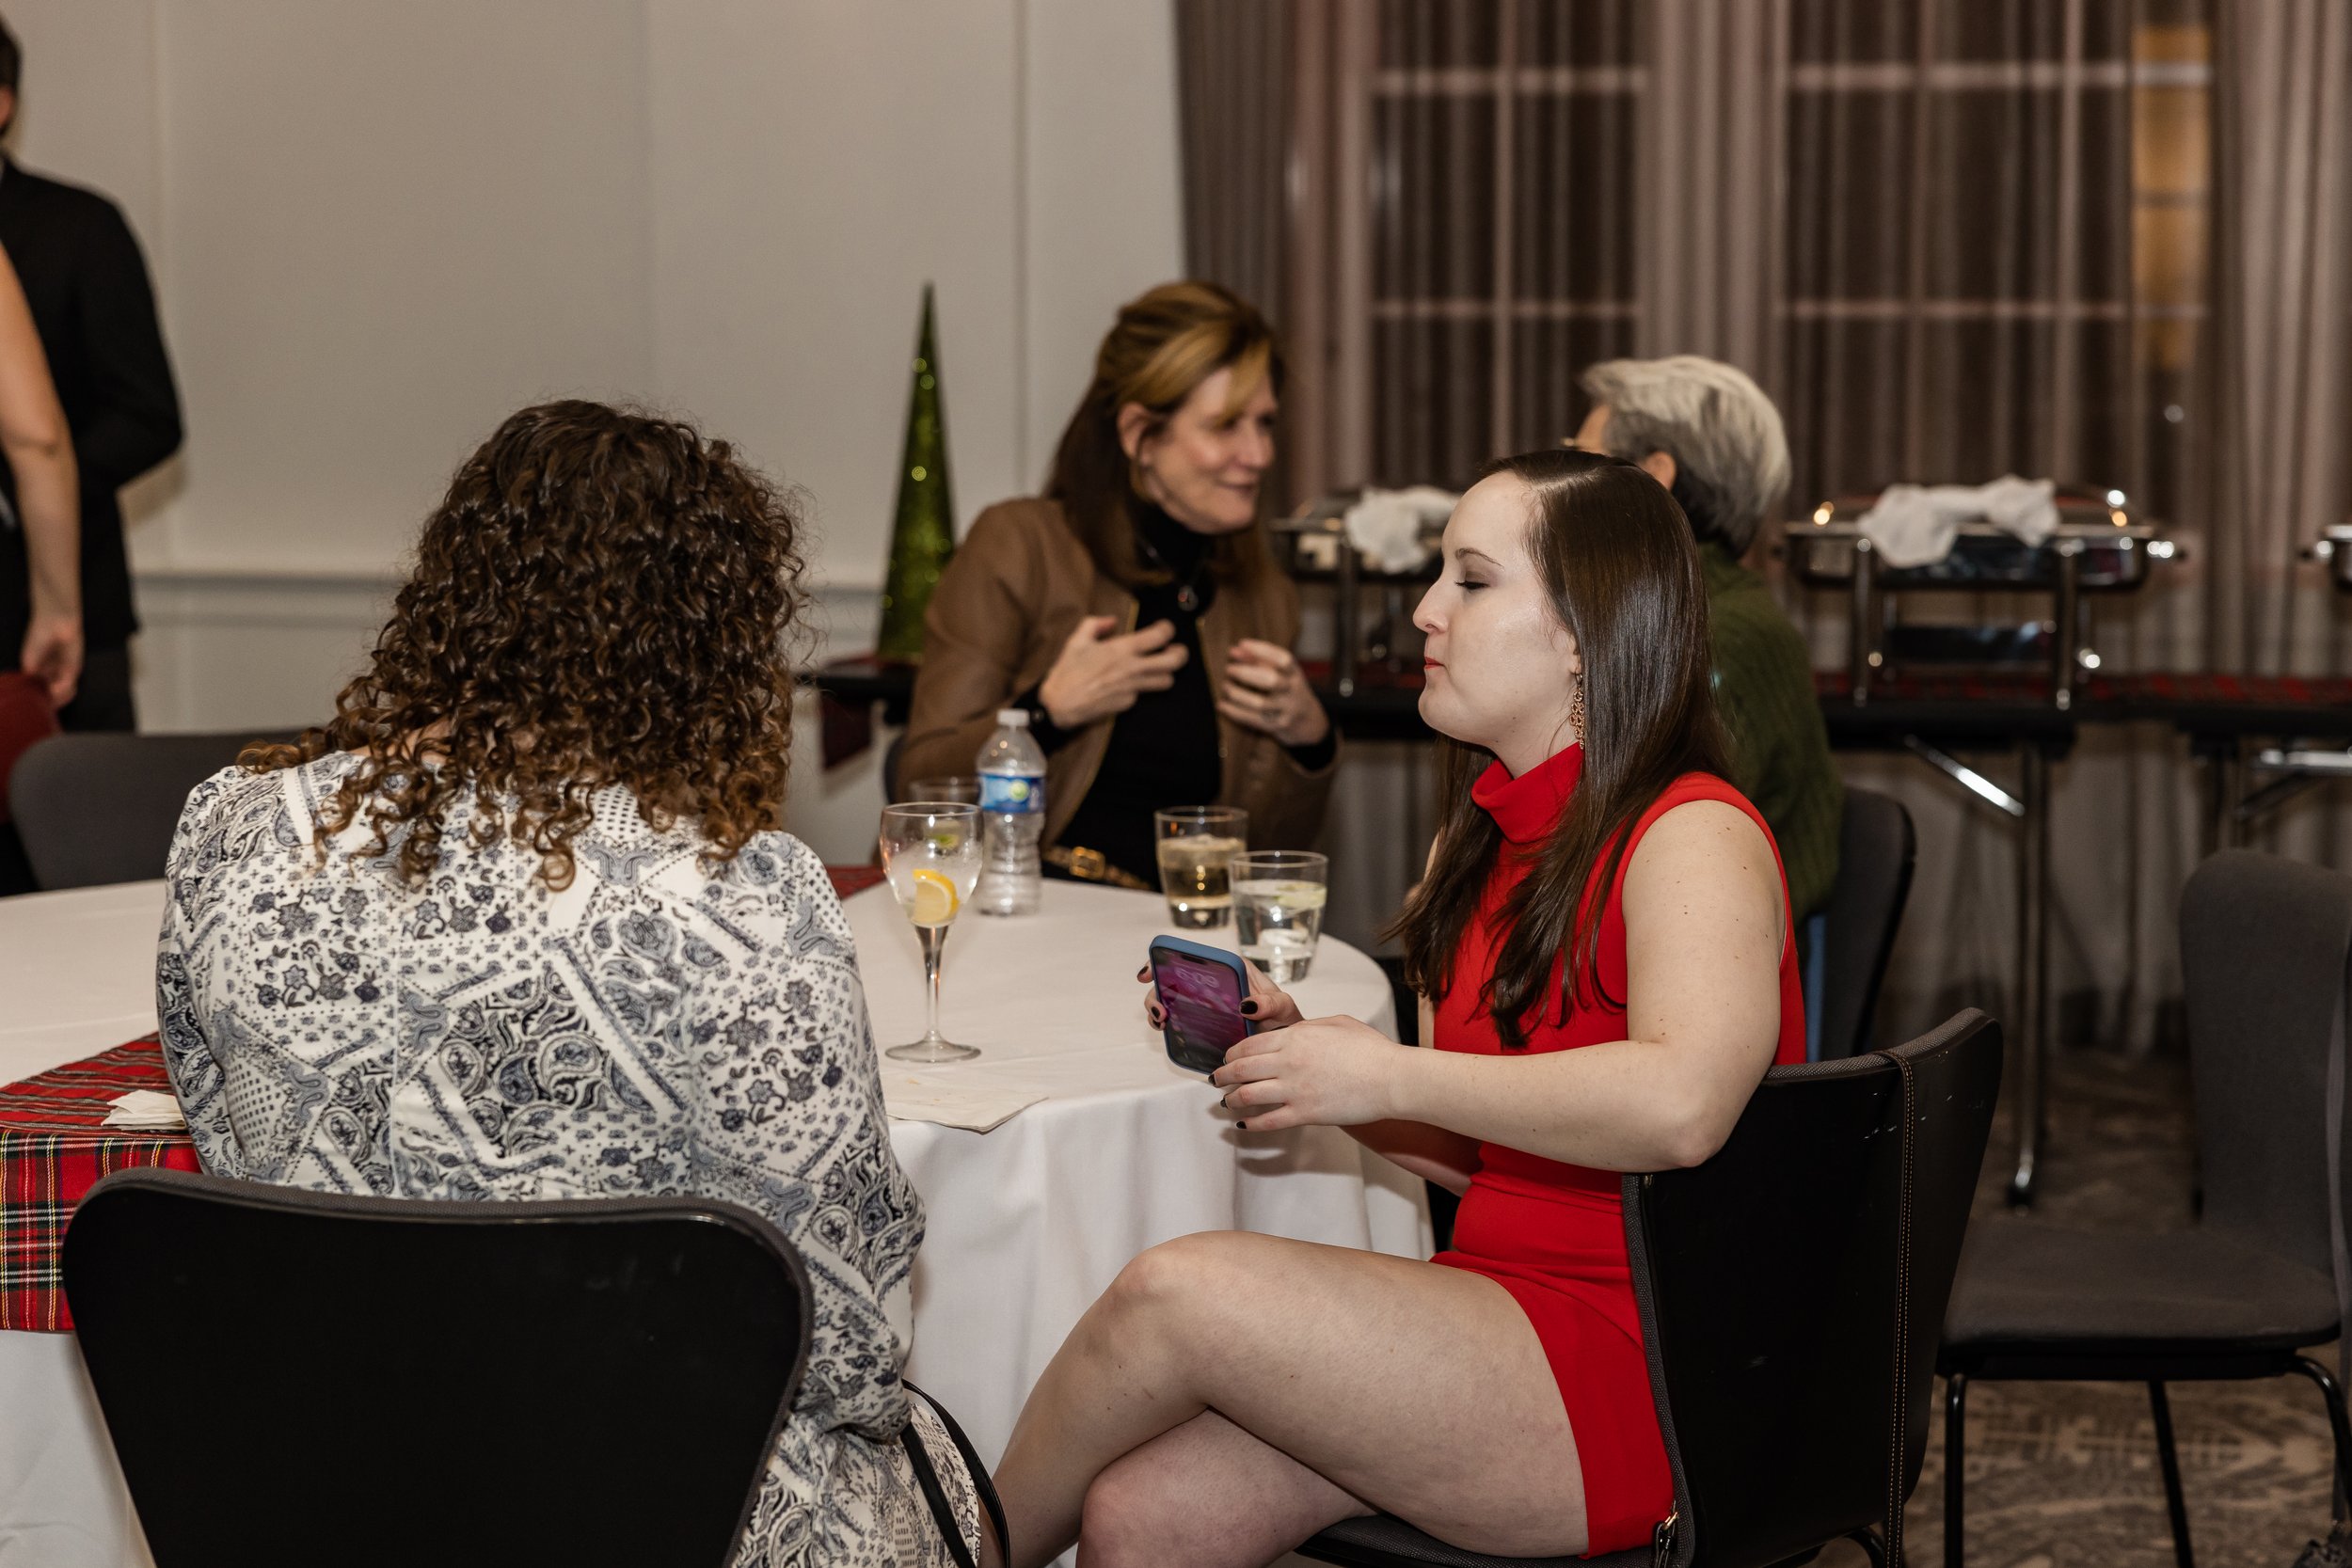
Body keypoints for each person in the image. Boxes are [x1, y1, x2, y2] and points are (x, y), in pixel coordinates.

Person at [157, 404, 997, 1568]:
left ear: (453, 597)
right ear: (705, 647)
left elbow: (227, 1146)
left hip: (326, 1492)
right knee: (963, 1457)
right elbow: (850, 1337)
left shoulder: (233, 830)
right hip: (667, 1509)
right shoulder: (741, 896)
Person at [986, 450, 1806, 1568]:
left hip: (1659, 1360)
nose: (1424, 609)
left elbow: (1683, 1107)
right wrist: (1310, 1069)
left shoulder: (1690, 832)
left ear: (1582, 632)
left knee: (1172, 1290)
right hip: (1498, 1311)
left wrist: (1387, 1073)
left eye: (1470, 579)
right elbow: (1485, 1154)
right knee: (1143, 1512)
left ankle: (949, 1554)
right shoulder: (1478, 844)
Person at [898, 281, 1334, 890]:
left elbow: (1268, 856)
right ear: (1139, 435)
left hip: (1175, 926)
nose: (1259, 453)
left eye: (1265, 424)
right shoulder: (1020, 545)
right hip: (1018, 908)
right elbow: (918, 784)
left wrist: (1311, 743)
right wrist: (1045, 713)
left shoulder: (1266, 597)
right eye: (1225, 425)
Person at [1571, 356, 1840, 927]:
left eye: (1583, 461)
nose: (1562, 490)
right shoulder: (1654, 611)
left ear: (1653, 476)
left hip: (1720, 944)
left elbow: (1645, 832)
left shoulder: (1721, 633)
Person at [0, 12, 183, 734]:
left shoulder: (80, 226)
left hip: (66, 588)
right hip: (56, 598)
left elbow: (147, 416)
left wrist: (27, 490)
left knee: (78, 795)